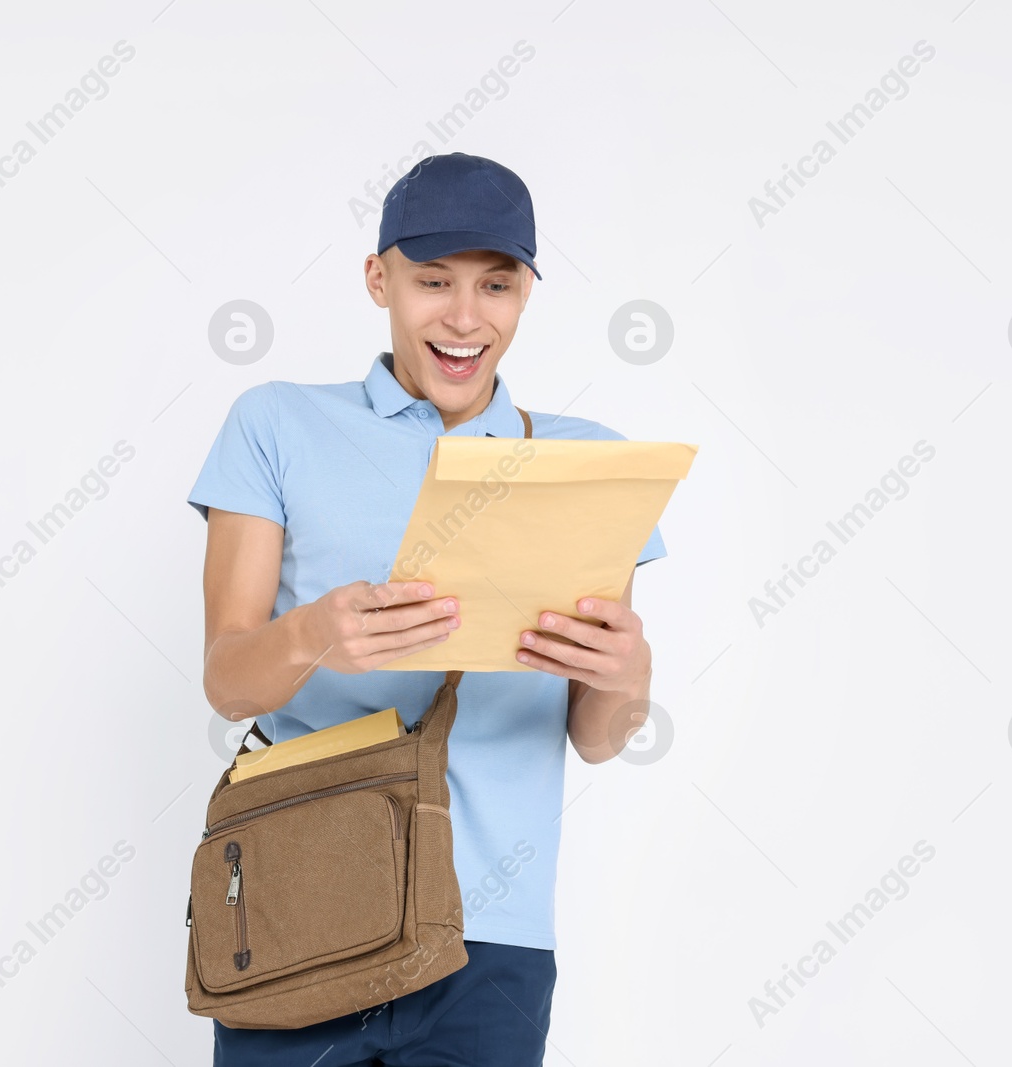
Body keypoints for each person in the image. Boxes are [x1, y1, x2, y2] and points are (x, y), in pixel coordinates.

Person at [187, 151, 666, 1066]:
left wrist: (631, 678)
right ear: (380, 279)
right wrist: (318, 632)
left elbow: (598, 734)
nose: (463, 315)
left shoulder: (584, 459)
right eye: (432, 280)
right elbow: (227, 680)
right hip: (308, 895)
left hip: (493, 931)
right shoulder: (277, 423)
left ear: (527, 290)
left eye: (497, 284)